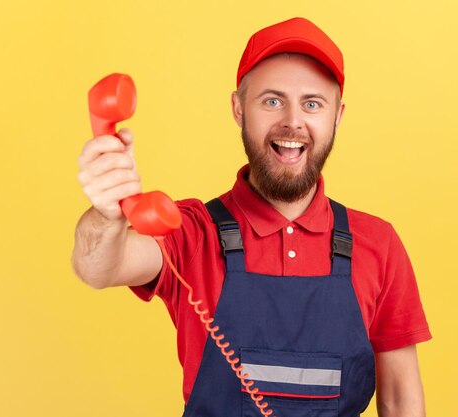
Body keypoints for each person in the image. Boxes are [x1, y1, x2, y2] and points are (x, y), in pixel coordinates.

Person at [72, 17, 432, 417]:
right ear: (239, 108)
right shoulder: (192, 231)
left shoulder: (378, 244)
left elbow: (400, 401)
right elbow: (97, 267)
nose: (293, 121)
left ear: (337, 117)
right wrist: (107, 214)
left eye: (312, 103)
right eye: (272, 101)